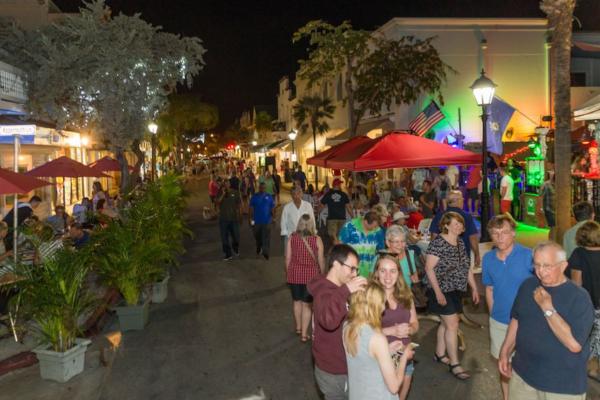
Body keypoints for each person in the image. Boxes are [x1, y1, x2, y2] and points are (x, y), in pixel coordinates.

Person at [498, 242, 594, 399]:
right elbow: (516, 320)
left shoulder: (579, 297)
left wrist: (547, 308)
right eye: (537, 265)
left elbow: (574, 344)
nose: (541, 271)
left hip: (561, 386)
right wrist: (505, 352)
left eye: (547, 266)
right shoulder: (528, 285)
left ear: (563, 266)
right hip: (523, 375)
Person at [482, 215, 533, 400]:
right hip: (500, 321)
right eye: (495, 233)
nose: (500, 237)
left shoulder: (528, 255)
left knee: (527, 365)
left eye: (504, 232)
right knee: (504, 365)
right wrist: (493, 313)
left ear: (513, 233)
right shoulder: (488, 259)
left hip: (527, 322)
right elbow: (489, 288)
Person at [308, 244, 367, 400]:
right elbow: (329, 321)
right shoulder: (325, 292)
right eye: (352, 268)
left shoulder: (336, 289)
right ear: (335, 264)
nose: (355, 274)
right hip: (334, 372)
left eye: (356, 270)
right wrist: (346, 289)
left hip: (343, 367)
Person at [424, 211, 479, 380]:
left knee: (445, 323)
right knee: (453, 324)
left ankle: (440, 354)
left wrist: (475, 288)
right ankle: (455, 364)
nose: (460, 226)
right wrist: (438, 292)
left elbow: (465, 267)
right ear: (446, 225)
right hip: (440, 289)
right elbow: (428, 268)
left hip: (455, 289)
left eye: (461, 224)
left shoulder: (461, 243)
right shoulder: (438, 243)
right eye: (456, 223)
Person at [343, 282, 414, 400]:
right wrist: (404, 357)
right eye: (382, 303)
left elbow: (364, 358)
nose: (383, 308)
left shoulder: (347, 326)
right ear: (373, 306)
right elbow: (394, 387)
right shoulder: (377, 339)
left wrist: (387, 350)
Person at [373, 256, 419, 400]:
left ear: (399, 273)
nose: (388, 276)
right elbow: (362, 332)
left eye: (392, 271)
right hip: (381, 358)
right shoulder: (370, 298)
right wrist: (391, 331)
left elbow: (415, 323)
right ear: (376, 273)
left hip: (406, 355)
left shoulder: (406, 295)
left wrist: (410, 329)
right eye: (383, 271)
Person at [568, 221, 600, 380]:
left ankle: (587, 370)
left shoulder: (578, 254)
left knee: (587, 338)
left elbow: (576, 284)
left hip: (588, 305)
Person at [286, 214, 325, 342]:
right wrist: (323, 274)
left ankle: (297, 327)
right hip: (311, 277)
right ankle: (304, 334)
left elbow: (288, 258)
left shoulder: (292, 237)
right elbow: (320, 260)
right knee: (307, 305)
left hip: (295, 275)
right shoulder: (317, 239)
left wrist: (288, 273)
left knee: (296, 302)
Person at [429, 190, 481, 267]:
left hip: (443, 258)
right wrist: (477, 254)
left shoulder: (439, 216)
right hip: (463, 257)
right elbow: (472, 237)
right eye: (462, 199)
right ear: (457, 201)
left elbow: (434, 237)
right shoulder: (466, 216)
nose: (463, 201)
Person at [338, 211, 385, 278]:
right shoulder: (349, 227)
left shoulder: (378, 231)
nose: (375, 228)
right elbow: (340, 247)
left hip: (370, 270)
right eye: (373, 226)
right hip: (352, 269)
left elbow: (381, 250)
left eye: (376, 226)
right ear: (365, 221)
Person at [280, 186, 315, 256]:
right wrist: (287, 235)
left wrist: (313, 232)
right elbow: (283, 222)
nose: (296, 196)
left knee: (305, 256)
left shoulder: (308, 205)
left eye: (298, 193)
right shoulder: (287, 207)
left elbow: (312, 220)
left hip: (306, 236)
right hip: (291, 236)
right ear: (291, 195)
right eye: (293, 194)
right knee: (290, 256)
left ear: (302, 194)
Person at [320, 178, 352, 244]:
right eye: (340, 184)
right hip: (342, 218)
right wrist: (353, 216)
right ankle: (339, 251)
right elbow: (348, 207)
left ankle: (335, 251)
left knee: (333, 237)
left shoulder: (328, 194)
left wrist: (317, 213)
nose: (340, 185)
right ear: (338, 185)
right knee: (340, 237)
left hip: (332, 218)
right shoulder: (344, 195)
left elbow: (321, 206)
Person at [249, 182, 275, 260]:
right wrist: (250, 219)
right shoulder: (254, 197)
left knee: (266, 237)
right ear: (259, 188)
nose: (262, 189)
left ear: (265, 188)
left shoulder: (269, 197)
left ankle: (265, 252)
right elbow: (250, 209)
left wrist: (274, 218)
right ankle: (259, 245)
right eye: (261, 187)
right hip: (256, 221)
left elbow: (272, 208)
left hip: (267, 221)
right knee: (257, 236)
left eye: (264, 188)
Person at [218, 180, 242, 261]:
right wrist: (223, 194)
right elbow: (217, 202)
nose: (226, 185)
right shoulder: (220, 193)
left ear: (230, 184)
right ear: (223, 185)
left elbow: (239, 205)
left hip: (233, 219)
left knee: (236, 237)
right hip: (223, 219)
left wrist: (240, 216)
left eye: (227, 183)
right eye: (225, 184)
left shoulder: (235, 192)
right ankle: (228, 254)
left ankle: (235, 247)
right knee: (224, 238)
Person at [540, 171, 556, 240]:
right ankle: (551, 241)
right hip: (548, 209)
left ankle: (552, 241)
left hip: (556, 209)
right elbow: (540, 197)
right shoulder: (545, 185)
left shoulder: (558, 184)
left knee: (554, 227)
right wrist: (541, 208)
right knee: (553, 227)